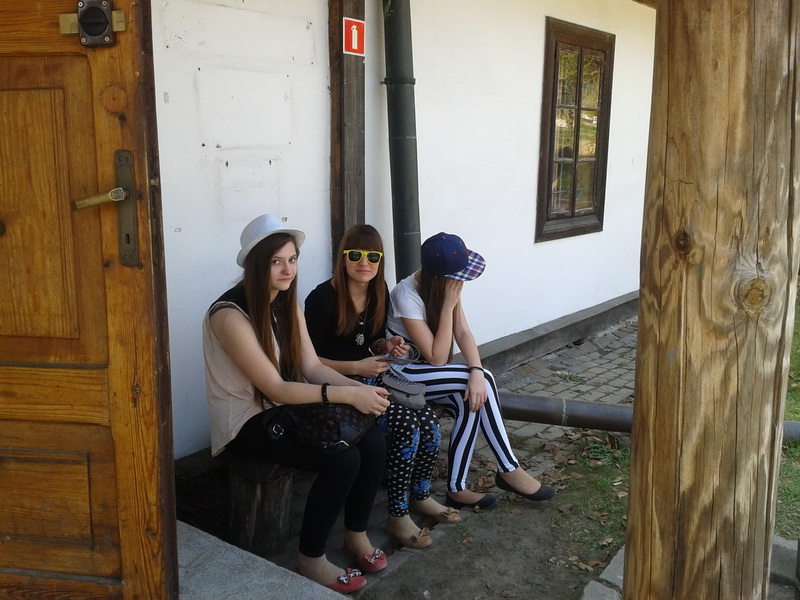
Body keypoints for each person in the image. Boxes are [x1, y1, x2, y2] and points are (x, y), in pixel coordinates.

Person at [202, 214, 391, 594]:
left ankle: (355, 534)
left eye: (292, 259)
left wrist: (364, 392)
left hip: (282, 408)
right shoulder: (229, 314)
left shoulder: (286, 305)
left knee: (372, 436)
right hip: (244, 422)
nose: (288, 269)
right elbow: (273, 385)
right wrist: (348, 394)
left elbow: (311, 366)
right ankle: (310, 559)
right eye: (276, 261)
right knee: (342, 459)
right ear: (256, 264)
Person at [304, 224, 460, 550]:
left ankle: (420, 495)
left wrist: (387, 346)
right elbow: (306, 361)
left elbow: (369, 342)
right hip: (336, 387)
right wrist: (356, 367)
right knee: (407, 427)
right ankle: (397, 516)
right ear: (343, 258)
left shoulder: (378, 291)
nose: (365, 262)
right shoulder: (321, 298)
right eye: (355, 255)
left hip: (372, 378)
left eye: (373, 256)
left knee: (428, 422)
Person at [386, 232, 556, 510]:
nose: (462, 282)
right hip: (403, 373)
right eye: (459, 277)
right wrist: (447, 308)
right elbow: (437, 358)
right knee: (483, 380)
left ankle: (456, 489)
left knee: (470, 400)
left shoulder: (444, 286)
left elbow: (463, 332)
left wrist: (475, 369)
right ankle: (508, 468)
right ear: (441, 277)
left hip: (427, 371)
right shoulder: (406, 295)